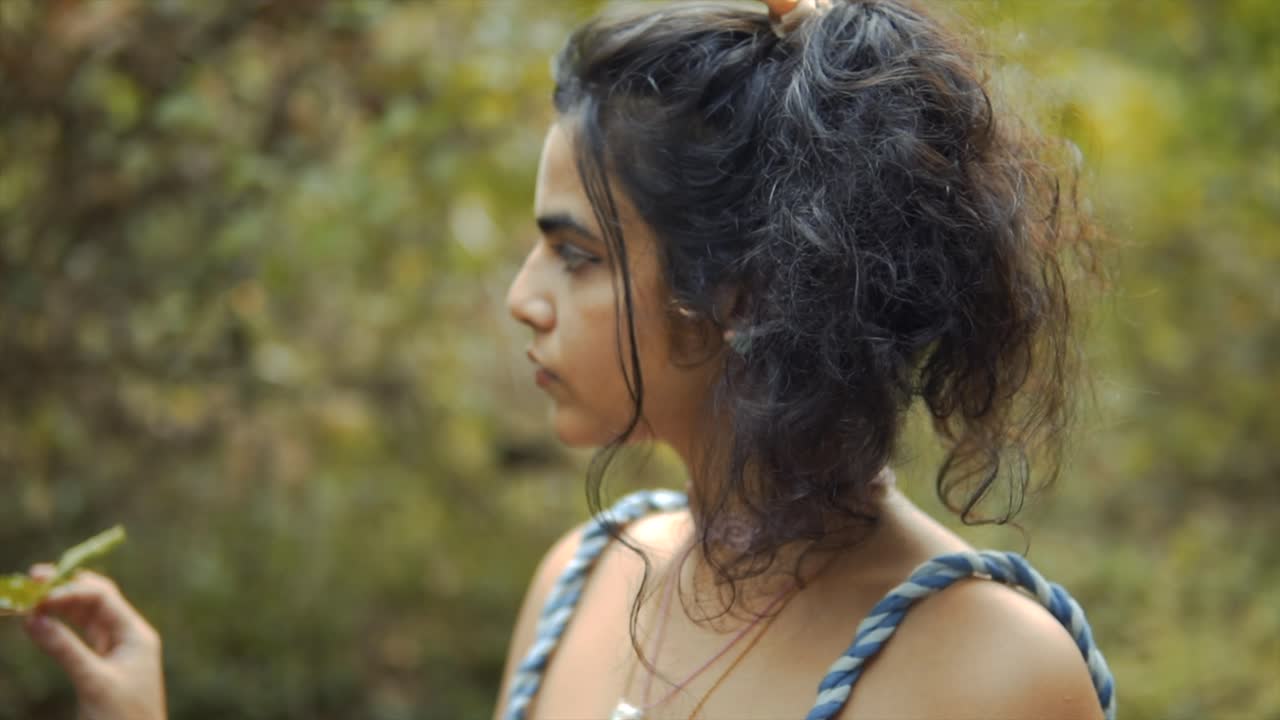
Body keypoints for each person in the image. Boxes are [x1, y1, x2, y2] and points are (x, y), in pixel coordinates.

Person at [22, 1, 1115, 719]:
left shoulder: (987, 673)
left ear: (744, 291)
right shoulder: (581, 581)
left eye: (576, 256)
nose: (520, 300)